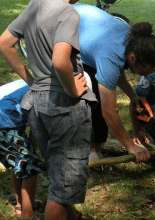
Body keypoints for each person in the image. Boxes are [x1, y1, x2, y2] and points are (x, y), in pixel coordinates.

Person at [0, 0, 98, 219]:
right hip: (63, 106)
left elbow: (4, 43)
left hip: (37, 104)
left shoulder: (35, 5)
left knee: (59, 172)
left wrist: (32, 82)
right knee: (65, 185)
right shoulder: (68, 12)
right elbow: (60, 60)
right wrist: (72, 90)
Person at [73, 3, 155, 162]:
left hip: (84, 25)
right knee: (87, 93)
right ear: (133, 59)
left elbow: (117, 70)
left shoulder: (133, 41)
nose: (144, 76)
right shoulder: (111, 55)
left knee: (97, 91)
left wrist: (133, 96)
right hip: (59, 30)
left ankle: (94, 151)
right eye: (144, 72)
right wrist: (131, 147)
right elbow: (108, 112)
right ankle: (76, 151)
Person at [0, 80, 43, 219]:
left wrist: (31, 149)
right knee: (30, 166)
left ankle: (21, 205)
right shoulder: (45, 90)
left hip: (8, 121)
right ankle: (28, 215)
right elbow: (37, 126)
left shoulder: (38, 81)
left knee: (19, 164)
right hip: (4, 124)